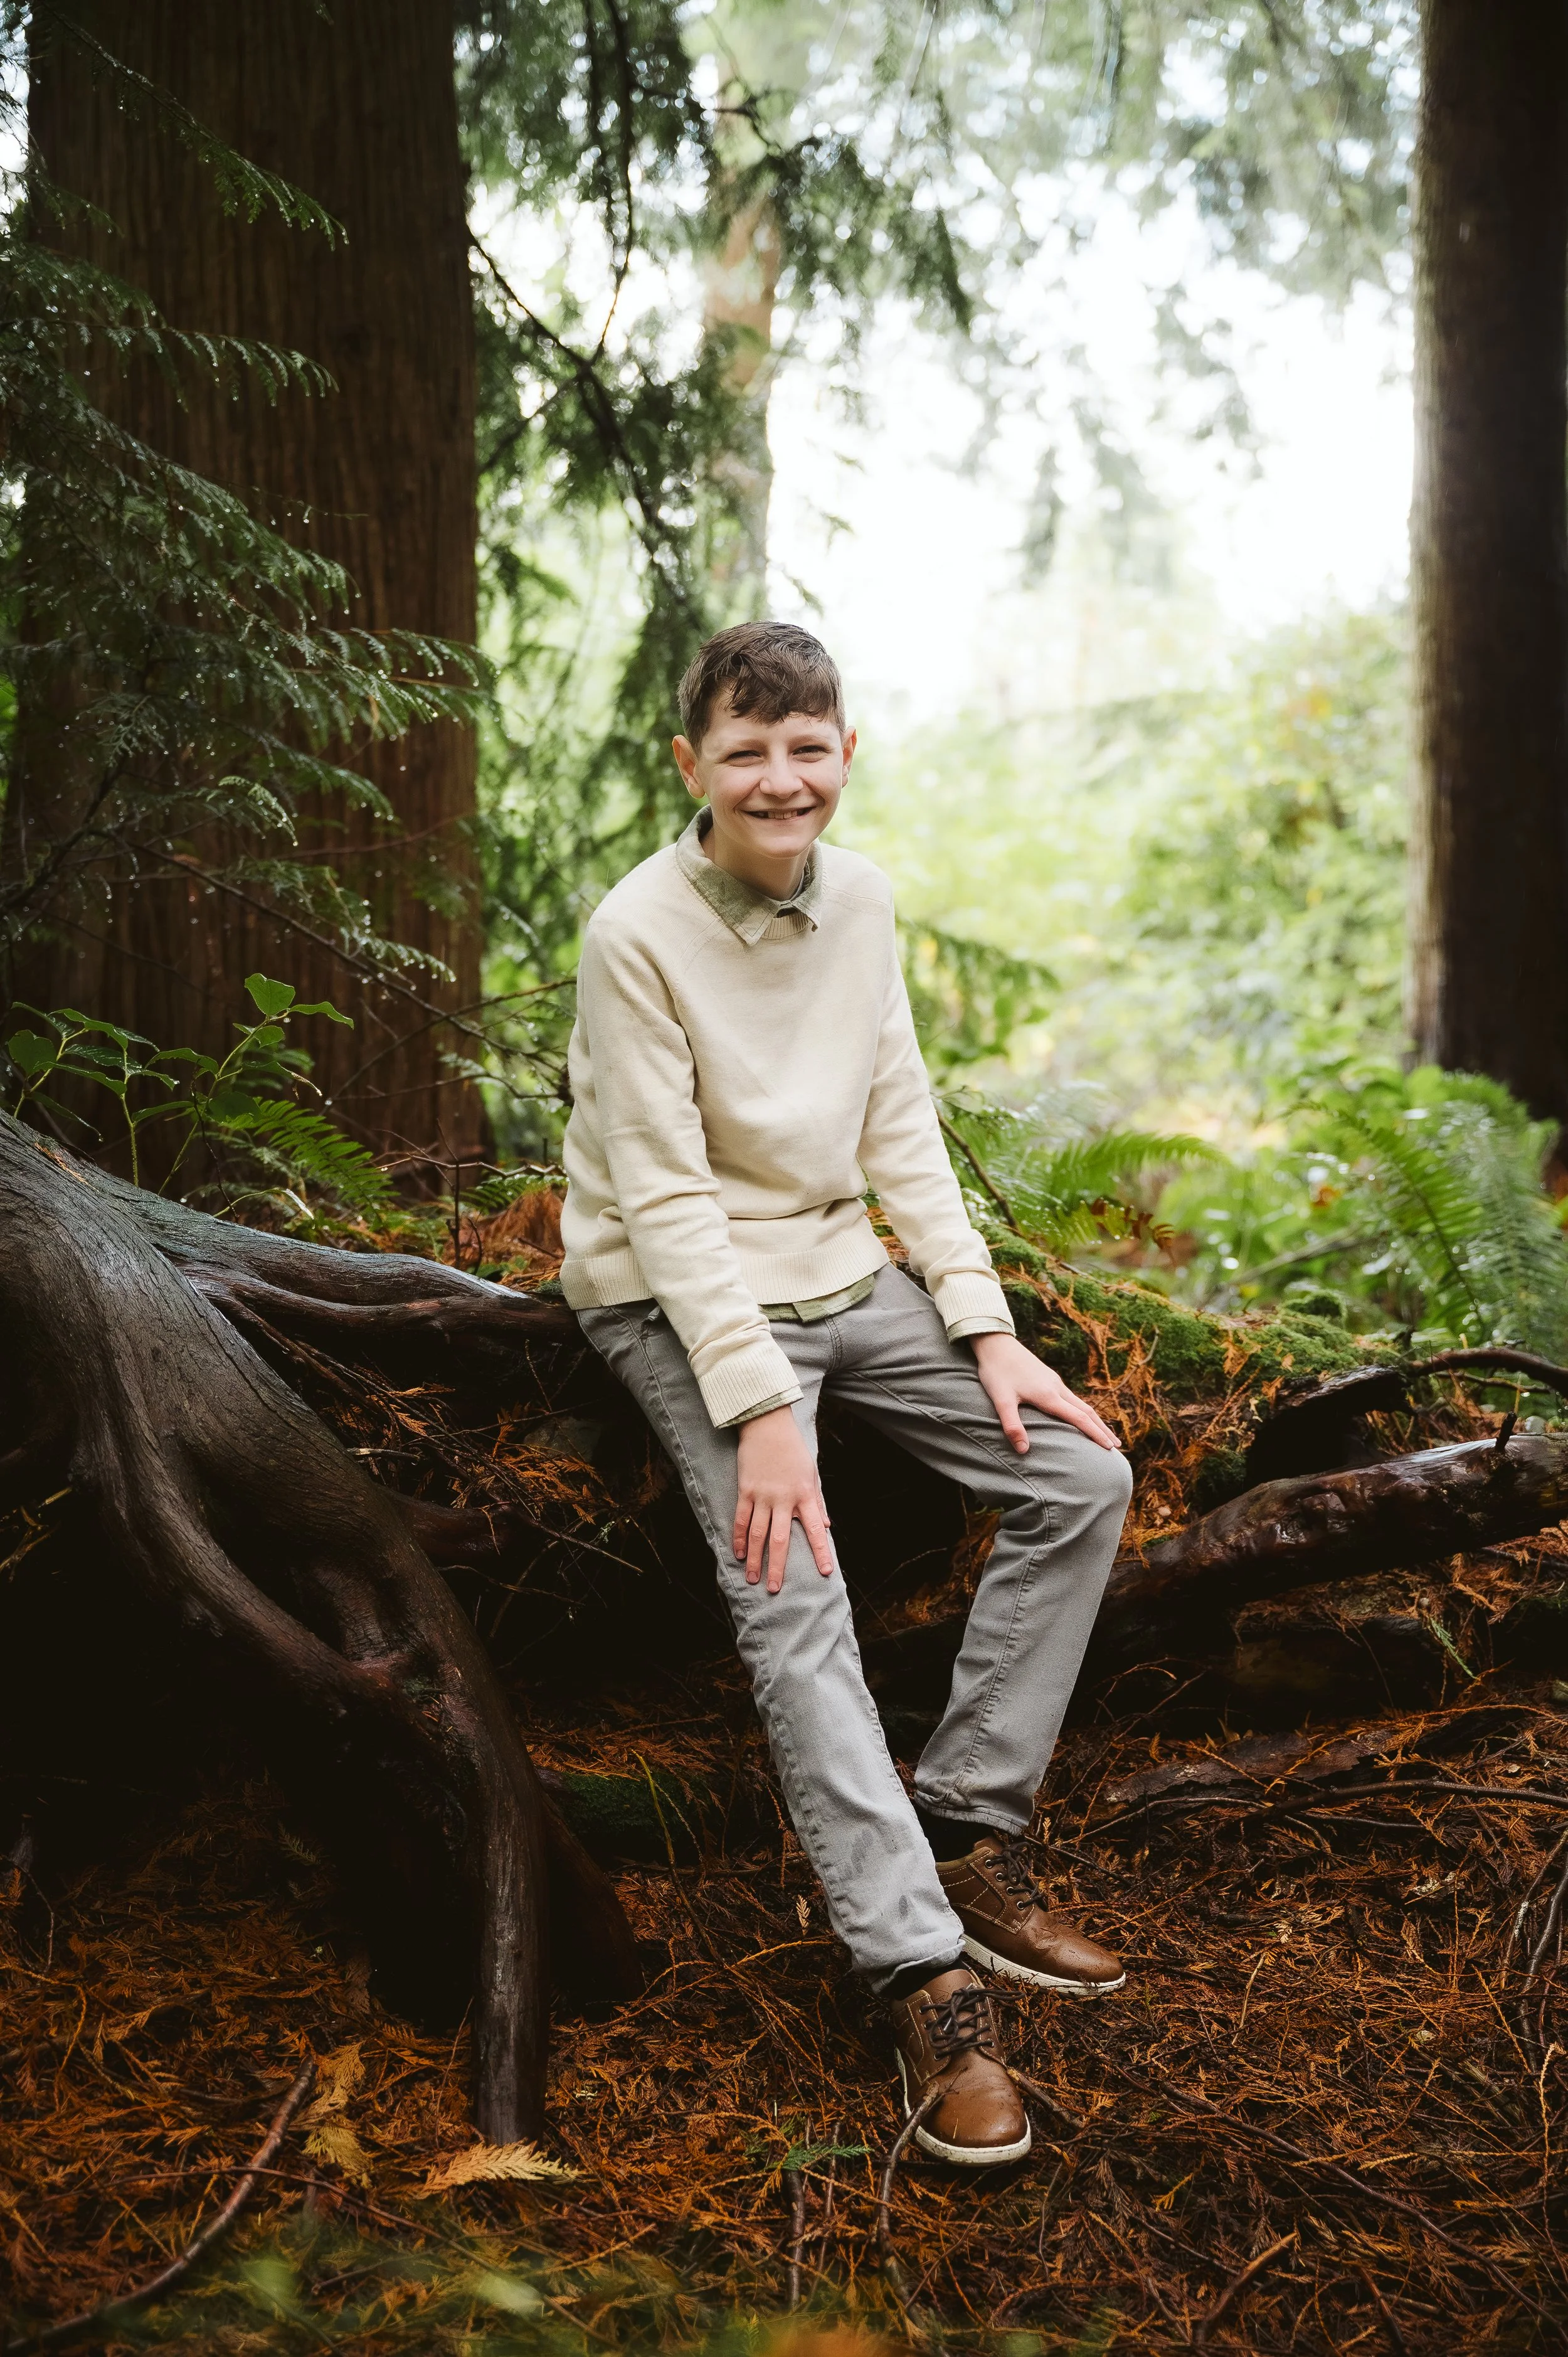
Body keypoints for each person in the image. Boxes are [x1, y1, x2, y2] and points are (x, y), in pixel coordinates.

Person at [563, 621, 1134, 2167]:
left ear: (844, 756)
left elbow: (900, 1127)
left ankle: (962, 1831)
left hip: (837, 1270)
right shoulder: (634, 933)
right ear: (690, 767)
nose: (778, 777)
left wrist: (986, 1325)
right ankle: (916, 1970)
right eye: (744, 750)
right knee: (789, 1581)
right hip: (677, 1298)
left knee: (1078, 1480)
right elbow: (665, 1201)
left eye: (805, 747)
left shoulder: (862, 901)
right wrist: (757, 1405)